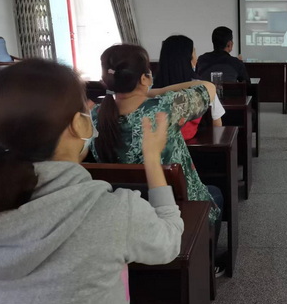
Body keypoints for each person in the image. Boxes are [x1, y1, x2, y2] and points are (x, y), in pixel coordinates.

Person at [0, 59, 182, 304]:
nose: (91, 108)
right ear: (78, 124)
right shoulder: (115, 212)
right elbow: (170, 241)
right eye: (85, 106)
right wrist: (153, 159)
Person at [90, 44, 225, 267]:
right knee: (216, 196)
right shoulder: (163, 107)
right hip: (172, 203)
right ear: (144, 78)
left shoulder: (95, 114)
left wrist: (143, 91)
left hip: (121, 205)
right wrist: (154, 92)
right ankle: (209, 264)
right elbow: (208, 88)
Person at [154, 34, 225, 139]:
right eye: (194, 53)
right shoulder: (203, 89)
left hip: (156, 145)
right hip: (194, 144)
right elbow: (217, 124)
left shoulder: (150, 91)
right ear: (190, 60)